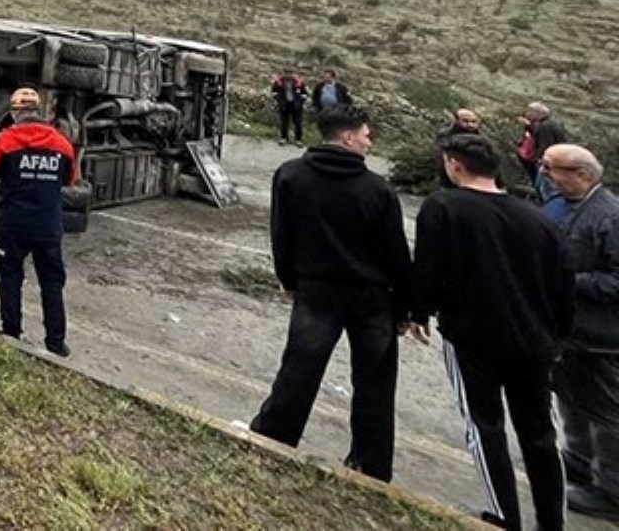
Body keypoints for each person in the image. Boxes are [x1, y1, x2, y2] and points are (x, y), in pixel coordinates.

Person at [409, 134, 575, 531]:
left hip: (472, 337)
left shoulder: (443, 207)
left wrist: (418, 312)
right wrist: (557, 338)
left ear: (454, 164)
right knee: (540, 435)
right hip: (534, 342)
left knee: (484, 426)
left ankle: (503, 516)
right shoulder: (539, 219)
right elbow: (563, 285)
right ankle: (553, 521)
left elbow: (430, 267)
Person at [249, 105, 410, 482]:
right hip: (372, 299)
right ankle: (371, 465)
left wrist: (288, 279)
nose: (370, 142)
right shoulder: (378, 190)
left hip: (317, 291)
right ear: (347, 136)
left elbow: (281, 234)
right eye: (367, 135)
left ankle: (274, 436)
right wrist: (405, 308)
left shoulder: (290, 175)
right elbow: (396, 255)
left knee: (298, 370)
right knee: (374, 385)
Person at [540, 144, 619, 520]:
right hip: (569, 330)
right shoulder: (560, 204)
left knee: (607, 415)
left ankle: (612, 491)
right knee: (570, 398)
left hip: (604, 338)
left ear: (582, 175)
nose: (544, 173)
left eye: (551, 168)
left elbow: (616, 281)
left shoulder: (610, 216)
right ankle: (575, 463)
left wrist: (568, 280)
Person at [0, 87, 77, 357]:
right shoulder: (61, 143)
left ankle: (11, 332)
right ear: (40, 111)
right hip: (48, 226)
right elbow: (70, 179)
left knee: (10, 278)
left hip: (13, 224)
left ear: (14, 113)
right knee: (52, 282)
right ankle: (56, 341)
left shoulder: (6, 140)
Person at [518, 101, 569, 198]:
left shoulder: (545, 127)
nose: (527, 114)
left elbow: (545, 146)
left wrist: (539, 161)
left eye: (529, 111)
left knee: (544, 191)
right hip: (550, 164)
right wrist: (528, 126)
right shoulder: (546, 125)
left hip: (549, 165)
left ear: (537, 113)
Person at [435, 109, 484, 190]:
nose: (470, 125)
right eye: (465, 121)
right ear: (457, 121)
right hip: (450, 179)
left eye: (473, 122)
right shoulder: (446, 136)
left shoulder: (482, 139)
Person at [271, 68, 308, 146]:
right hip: (284, 105)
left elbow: (305, 94)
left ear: (293, 73)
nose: (288, 75)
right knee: (284, 123)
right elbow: (274, 92)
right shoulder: (278, 82)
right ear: (284, 73)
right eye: (287, 73)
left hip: (296, 106)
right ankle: (284, 138)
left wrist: (301, 101)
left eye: (290, 73)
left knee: (298, 123)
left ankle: (298, 139)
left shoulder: (299, 82)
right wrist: (279, 100)